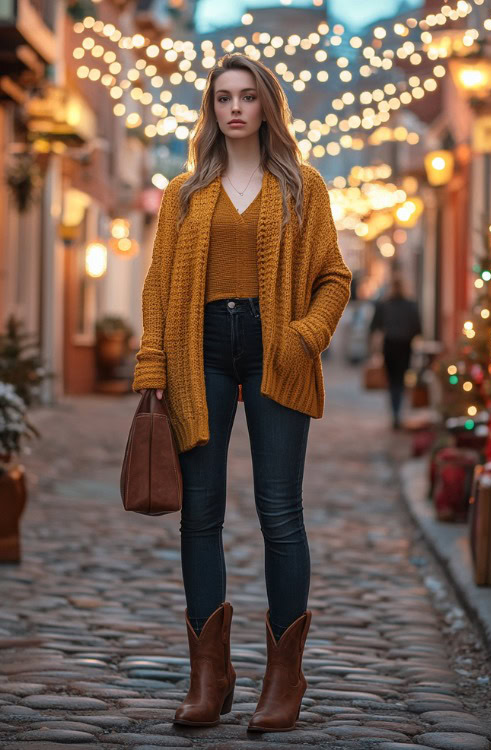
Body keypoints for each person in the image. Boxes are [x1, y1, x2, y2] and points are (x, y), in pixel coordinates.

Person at [133, 53, 352, 732]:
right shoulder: (184, 193)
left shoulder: (302, 187)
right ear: (211, 108)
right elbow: (159, 284)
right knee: (199, 513)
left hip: (275, 351)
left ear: (266, 107)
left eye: (247, 97)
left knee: (279, 511)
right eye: (223, 97)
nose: (234, 108)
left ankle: (283, 678)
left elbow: (334, 278)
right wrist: (153, 365)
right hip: (200, 351)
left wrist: (303, 336)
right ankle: (210, 674)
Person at [369, 273, 422, 430]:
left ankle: (395, 412)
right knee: (401, 379)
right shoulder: (411, 305)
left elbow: (374, 327)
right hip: (405, 346)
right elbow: (418, 328)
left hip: (390, 345)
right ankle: (398, 412)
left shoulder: (384, 304)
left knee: (392, 381)